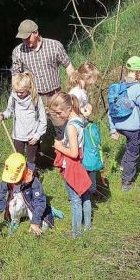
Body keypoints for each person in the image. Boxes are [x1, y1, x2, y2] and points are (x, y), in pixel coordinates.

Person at [11, 19, 75, 140]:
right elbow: (15, 75)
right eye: (22, 38)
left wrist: (74, 89)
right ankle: (38, 151)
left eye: (27, 37)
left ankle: (64, 148)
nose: (25, 41)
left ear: (36, 32)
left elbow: (68, 66)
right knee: (33, 132)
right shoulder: (18, 51)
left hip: (54, 95)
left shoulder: (54, 46)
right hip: (33, 97)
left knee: (61, 127)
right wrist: (16, 97)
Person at [0, 153, 61, 240]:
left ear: (24, 171)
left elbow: (39, 201)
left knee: (43, 228)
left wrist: (35, 222)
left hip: (32, 204)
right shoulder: (7, 179)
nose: (13, 181)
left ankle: (49, 210)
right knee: (13, 204)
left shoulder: (33, 180)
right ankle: (15, 220)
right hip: (18, 203)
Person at [108, 56, 140, 192]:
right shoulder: (137, 87)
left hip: (119, 125)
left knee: (136, 141)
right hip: (132, 127)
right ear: (138, 72)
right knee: (133, 152)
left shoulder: (119, 86)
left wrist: (112, 129)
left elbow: (111, 109)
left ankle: (124, 165)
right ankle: (126, 182)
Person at [50, 92, 92, 238]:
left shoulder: (71, 126)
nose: (58, 116)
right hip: (82, 163)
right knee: (85, 195)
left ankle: (76, 233)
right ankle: (87, 227)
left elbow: (73, 153)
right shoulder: (80, 119)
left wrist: (59, 146)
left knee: (75, 199)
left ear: (69, 108)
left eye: (59, 112)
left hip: (73, 165)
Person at [0, 72, 47, 170]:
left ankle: (32, 176)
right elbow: (9, 111)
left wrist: (37, 136)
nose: (19, 94)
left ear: (28, 88)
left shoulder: (35, 99)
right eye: (17, 91)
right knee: (18, 159)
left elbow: (43, 121)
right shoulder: (14, 97)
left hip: (32, 136)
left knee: (31, 160)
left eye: (21, 92)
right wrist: (3, 115)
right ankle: (20, 177)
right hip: (18, 136)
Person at [68, 62, 102, 196]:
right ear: (87, 77)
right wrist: (85, 113)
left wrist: (86, 108)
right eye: (93, 79)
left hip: (82, 125)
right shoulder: (76, 92)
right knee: (82, 154)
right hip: (77, 128)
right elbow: (73, 110)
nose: (94, 82)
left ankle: (89, 186)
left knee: (86, 154)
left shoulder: (81, 90)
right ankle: (83, 186)